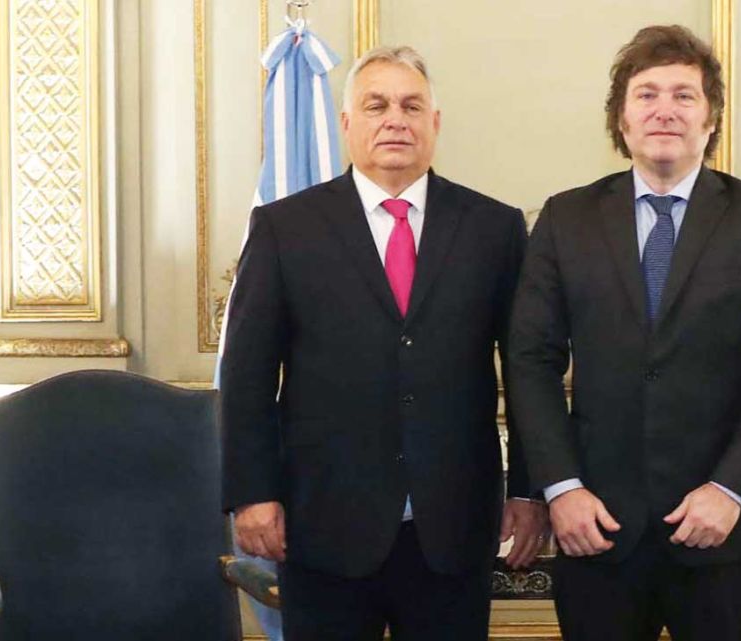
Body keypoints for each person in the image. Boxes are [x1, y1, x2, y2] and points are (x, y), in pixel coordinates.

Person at [220, 45, 548, 641]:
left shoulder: (494, 229)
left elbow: (526, 368)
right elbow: (247, 375)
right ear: (347, 123)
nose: (395, 119)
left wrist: (528, 490)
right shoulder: (284, 228)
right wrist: (252, 494)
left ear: (434, 123)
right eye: (377, 105)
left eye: (411, 106)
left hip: (452, 528)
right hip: (323, 527)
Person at [507, 25, 741, 641]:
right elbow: (530, 360)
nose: (664, 110)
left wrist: (730, 489)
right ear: (621, 120)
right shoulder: (566, 218)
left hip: (723, 533)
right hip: (596, 529)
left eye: (684, 95)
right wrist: (561, 488)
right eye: (646, 95)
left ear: (710, 119)